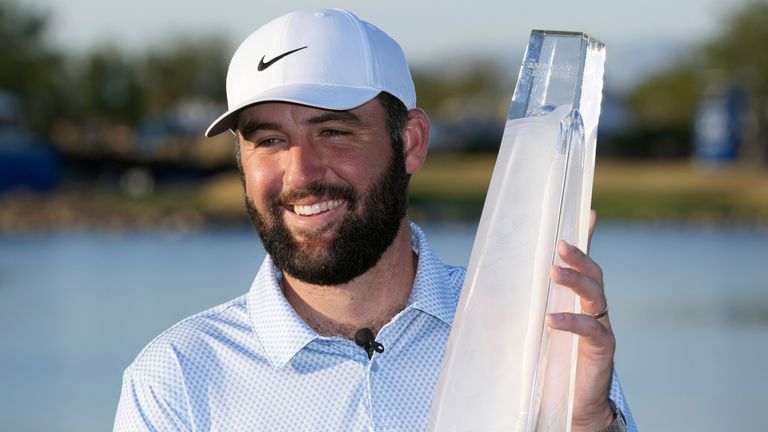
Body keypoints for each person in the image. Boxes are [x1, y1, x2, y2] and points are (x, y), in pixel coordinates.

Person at [114, 8, 636, 431]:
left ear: (409, 141)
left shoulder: (537, 334)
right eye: (269, 141)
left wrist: (588, 423)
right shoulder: (176, 378)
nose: (300, 173)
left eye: (334, 132)